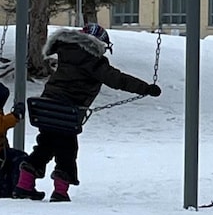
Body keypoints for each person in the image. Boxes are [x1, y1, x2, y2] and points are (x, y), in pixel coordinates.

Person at [13, 24, 160, 202]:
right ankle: (60, 192)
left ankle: (24, 185)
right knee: (67, 151)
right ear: (98, 44)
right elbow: (117, 79)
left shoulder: (66, 52)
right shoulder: (93, 61)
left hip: (46, 109)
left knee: (45, 146)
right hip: (66, 113)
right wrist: (145, 88)